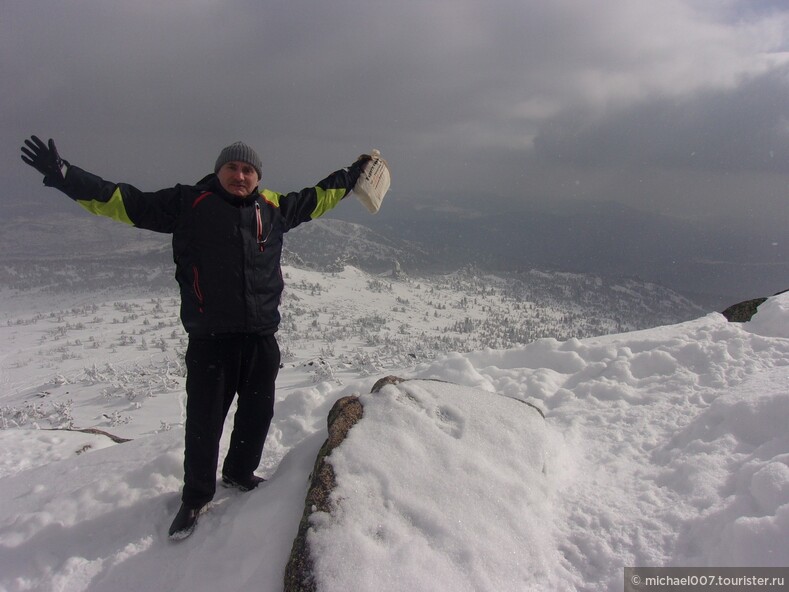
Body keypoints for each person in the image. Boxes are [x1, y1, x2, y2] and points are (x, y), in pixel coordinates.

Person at [20, 135, 373, 540]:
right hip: (211, 340)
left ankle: (240, 472)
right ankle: (196, 496)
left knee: (258, 414)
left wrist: (353, 174)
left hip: (260, 336)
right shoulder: (190, 203)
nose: (240, 175)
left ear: (258, 177)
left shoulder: (272, 207)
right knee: (204, 423)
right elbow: (122, 201)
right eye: (232, 168)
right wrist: (65, 176)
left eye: (248, 170)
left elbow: (317, 198)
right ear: (219, 171)